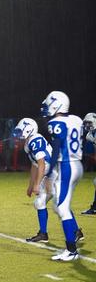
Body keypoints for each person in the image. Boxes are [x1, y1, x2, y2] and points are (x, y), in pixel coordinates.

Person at [41, 91, 84, 261]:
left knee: (63, 208)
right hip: (78, 165)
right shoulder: (76, 120)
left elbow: (57, 149)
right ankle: (75, 232)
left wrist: (50, 174)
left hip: (66, 166)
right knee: (59, 205)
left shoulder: (56, 122)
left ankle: (71, 250)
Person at [13, 118, 55, 243]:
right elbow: (35, 165)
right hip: (49, 174)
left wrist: (37, 184)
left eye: (21, 131)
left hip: (55, 173)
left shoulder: (35, 140)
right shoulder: (28, 143)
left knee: (60, 205)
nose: (18, 134)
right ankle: (43, 234)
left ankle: (74, 232)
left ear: (28, 130)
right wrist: (31, 185)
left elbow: (41, 163)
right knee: (40, 202)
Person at [82, 112, 96, 215]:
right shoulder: (90, 135)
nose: (87, 126)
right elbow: (90, 152)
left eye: (89, 123)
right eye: (86, 123)